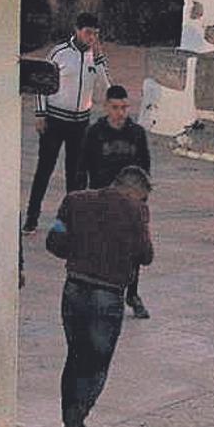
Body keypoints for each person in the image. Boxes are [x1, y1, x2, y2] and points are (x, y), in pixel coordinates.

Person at [46, 166, 153, 427]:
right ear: (135, 192)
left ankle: (70, 415)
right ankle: (77, 415)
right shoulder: (136, 212)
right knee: (97, 363)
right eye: (142, 198)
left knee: (75, 356)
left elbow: (54, 241)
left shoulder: (75, 200)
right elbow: (146, 255)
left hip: (74, 288)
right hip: (108, 294)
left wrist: (82, 249)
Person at [23, 12, 111, 236]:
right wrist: (40, 114)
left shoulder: (95, 56)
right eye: (88, 32)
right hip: (55, 120)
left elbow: (106, 87)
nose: (91, 37)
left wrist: (100, 60)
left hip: (80, 123)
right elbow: (43, 83)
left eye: (95, 34)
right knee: (45, 169)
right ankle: (31, 218)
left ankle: (73, 220)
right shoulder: (60, 53)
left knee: (76, 175)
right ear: (77, 30)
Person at [77, 85, 153, 319]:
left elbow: (144, 167)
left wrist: (141, 199)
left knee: (133, 249)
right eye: (115, 108)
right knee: (100, 248)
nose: (120, 113)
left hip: (130, 203)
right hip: (102, 199)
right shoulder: (95, 133)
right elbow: (82, 167)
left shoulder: (136, 133)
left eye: (124, 108)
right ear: (106, 107)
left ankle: (133, 292)